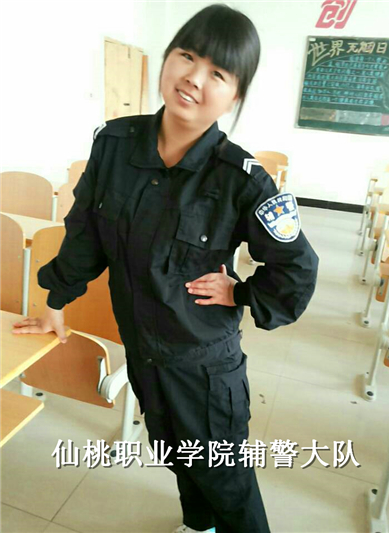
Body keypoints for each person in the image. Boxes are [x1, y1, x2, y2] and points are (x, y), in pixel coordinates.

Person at [12, 4, 319, 533]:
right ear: (167, 59)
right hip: (143, 351)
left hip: (202, 365)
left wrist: (241, 292)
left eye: (217, 73)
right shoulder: (113, 144)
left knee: (225, 479)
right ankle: (198, 526)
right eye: (187, 56)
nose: (194, 78)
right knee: (176, 456)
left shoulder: (241, 178)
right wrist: (55, 303)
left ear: (235, 95)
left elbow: (296, 270)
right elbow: (86, 233)